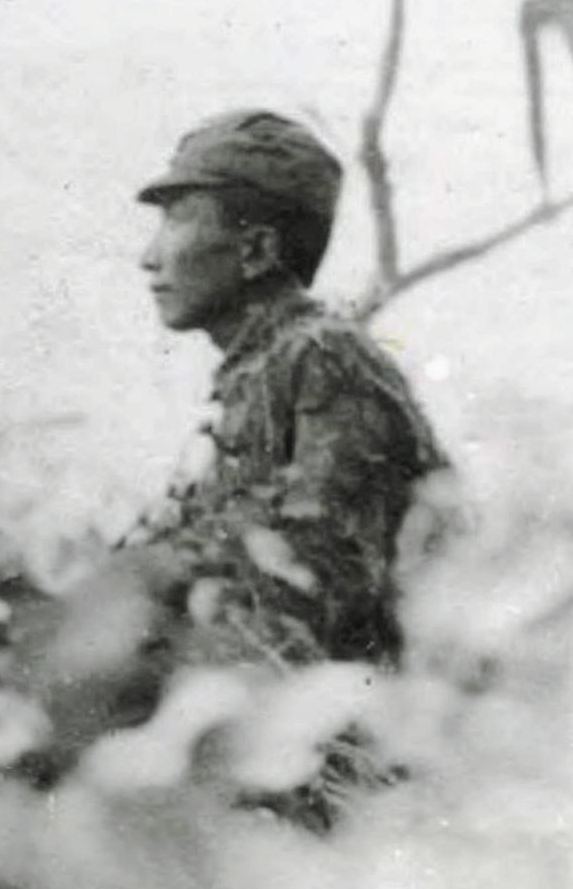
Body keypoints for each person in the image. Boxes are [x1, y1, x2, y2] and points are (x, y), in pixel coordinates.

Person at [130, 109, 451, 666]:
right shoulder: (264, 367)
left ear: (256, 251)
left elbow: (320, 580)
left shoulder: (323, 357)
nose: (149, 257)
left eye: (177, 220)